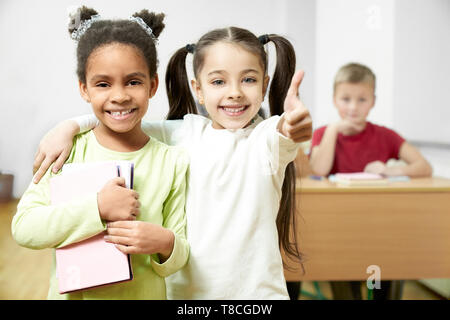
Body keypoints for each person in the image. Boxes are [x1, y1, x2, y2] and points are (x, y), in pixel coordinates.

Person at [32, 26, 313, 299]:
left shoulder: (266, 139)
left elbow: (287, 131)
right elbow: (120, 117)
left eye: (248, 80)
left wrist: (294, 125)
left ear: (264, 85)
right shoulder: (180, 133)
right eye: (218, 81)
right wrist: (68, 126)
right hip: (184, 294)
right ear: (198, 89)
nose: (235, 92)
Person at [11, 7, 189, 300]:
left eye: (133, 81)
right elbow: (25, 228)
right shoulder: (66, 150)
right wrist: (97, 209)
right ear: (84, 89)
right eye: (103, 84)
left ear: (152, 85)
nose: (119, 96)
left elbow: (177, 255)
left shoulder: (171, 161)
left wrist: (165, 242)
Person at [309, 62, 432, 300]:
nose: (353, 107)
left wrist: (389, 170)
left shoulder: (386, 135)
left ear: (373, 101)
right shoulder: (323, 133)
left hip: (380, 227)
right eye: (346, 99)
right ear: (334, 100)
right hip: (338, 228)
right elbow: (319, 169)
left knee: (384, 277)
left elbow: (423, 166)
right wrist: (334, 130)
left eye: (362, 100)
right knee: (346, 283)